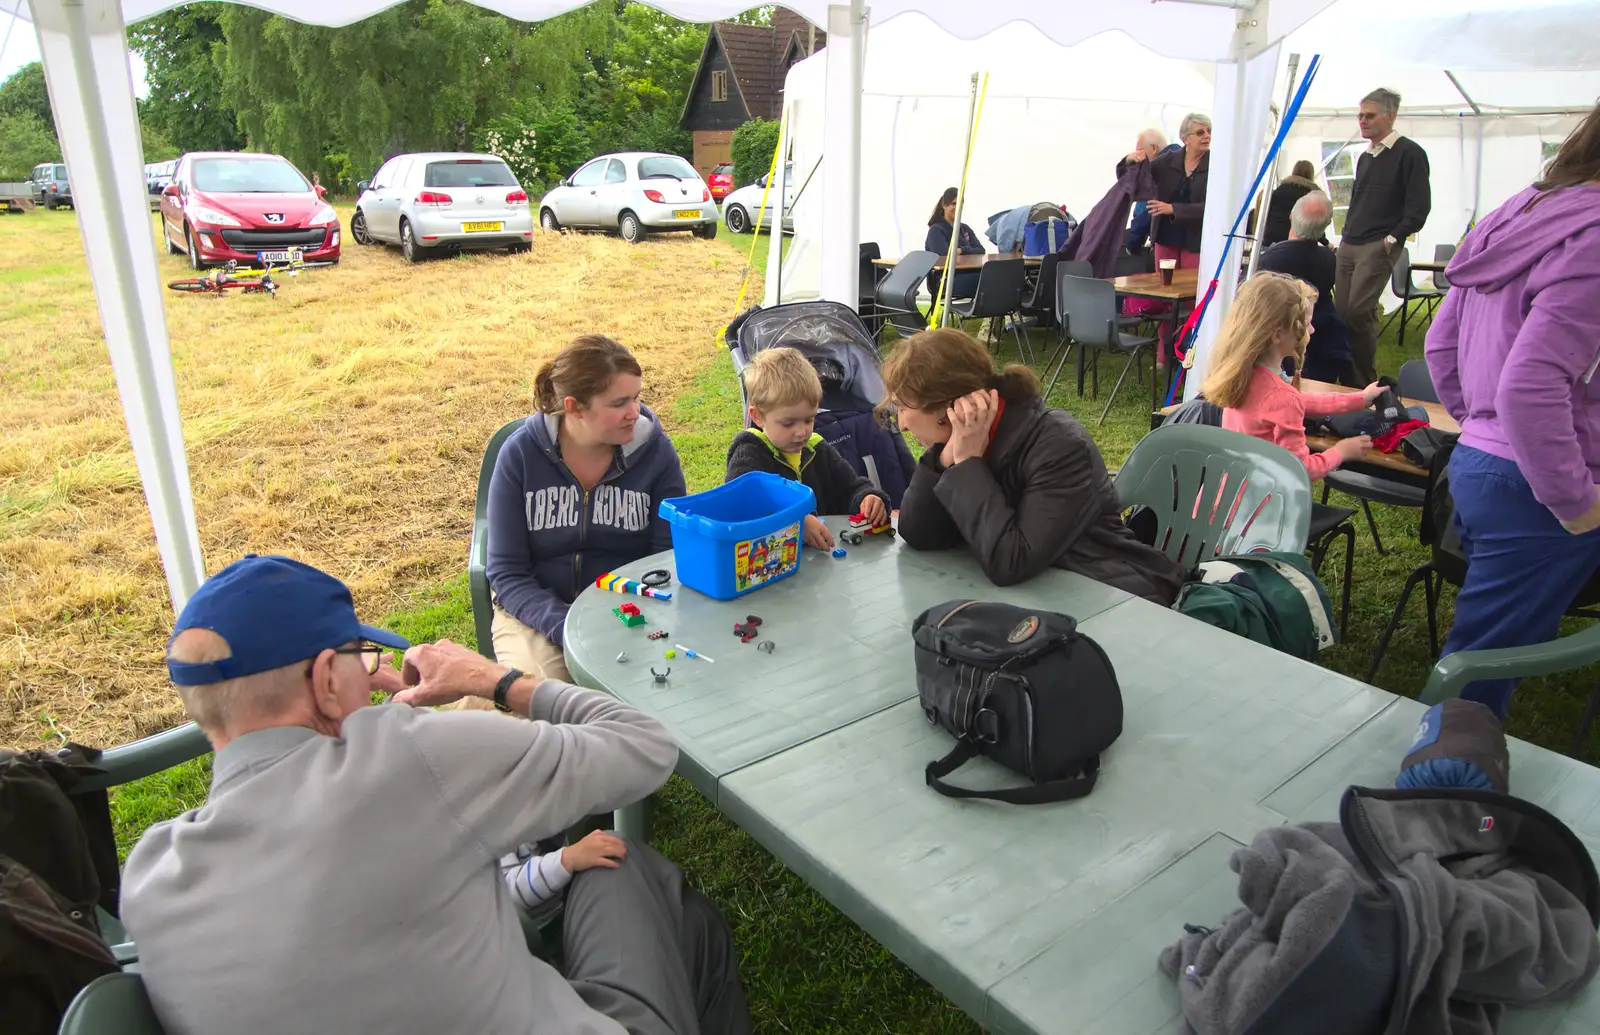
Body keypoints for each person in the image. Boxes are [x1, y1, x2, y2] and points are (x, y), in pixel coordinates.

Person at [121, 554, 751, 1035]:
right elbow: (644, 747)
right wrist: (496, 680)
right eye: (360, 658)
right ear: (322, 680)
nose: (369, 676)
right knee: (630, 868)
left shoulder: (149, 879)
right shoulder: (411, 755)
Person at [1423, 100, 1600, 721]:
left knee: (1478, 656)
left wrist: (1480, 423)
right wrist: (1577, 502)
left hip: (1482, 464)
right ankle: (1434, 796)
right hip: (1541, 484)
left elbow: (1440, 341)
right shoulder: (1592, 235)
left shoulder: (1521, 210)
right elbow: (1530, 386)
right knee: (1475, 675)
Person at [884, 328, 1186, 604]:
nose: (903, 425)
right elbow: (917, 532)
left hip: (1113, 597)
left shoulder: (1058, 446)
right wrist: (944, 460)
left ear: (948, 406)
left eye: (902, 407)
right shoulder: (962, 440)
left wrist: (967, 464)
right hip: (1036, 602)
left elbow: (1010, 561)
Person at [486, 335, 687, 686]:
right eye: (618, 402)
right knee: (541, 695)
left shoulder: (656, 453)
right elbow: (507, 572)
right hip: (535, 614)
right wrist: (567, 627)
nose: (634, 412)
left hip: (627, 609)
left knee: (655, 687)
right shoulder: (519, 455)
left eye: (637, 397)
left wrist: (626, 616)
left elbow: (663, 557)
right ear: (575, 407)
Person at [1203, 272, 1385, 481]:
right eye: (1305, 324)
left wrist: (1360, 398)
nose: (1312, 329)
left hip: (1224, 498)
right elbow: (1300, 471)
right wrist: (1341, 452)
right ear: (1278, 334)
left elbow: (1297, 401)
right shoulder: (1282, 397)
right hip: (1262, 507)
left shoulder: (1241, 373)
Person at [725, 347, 889, 550]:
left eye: (809, 419)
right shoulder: (749, 453)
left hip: (822, 564)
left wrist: (868, 498)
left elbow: (850, 487)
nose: (801, 432)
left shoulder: (817, 449)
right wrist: (796, 523)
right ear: (758, 416)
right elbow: (742, 505)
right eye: (788, 423)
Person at [1335, 87, 1432, 385]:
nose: (1362, 121)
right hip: (1351, 242)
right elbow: (1358, 203)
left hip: (1377, 244)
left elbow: (1419, 207)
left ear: (1391, 116)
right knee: (1343, 314)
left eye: (1370, 115)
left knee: (1357, 311)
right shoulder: (1366, 157)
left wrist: (1392, 238)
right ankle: (1350, 377)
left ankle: (1363, 381)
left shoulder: (1410, 153)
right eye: (1360, 115)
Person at [1256, 191, 1353, 383]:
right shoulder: (1329, 260)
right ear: (1324, 226)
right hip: (1324, 350)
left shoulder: (1268, 261)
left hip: (1279, 349)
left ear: (1291, 217)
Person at [1142, 113, 1211, 271]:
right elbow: (1138, 176)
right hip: (1166, 237)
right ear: (1185, 138)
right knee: (1165, 287)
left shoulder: (1216, 165)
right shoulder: (1167, 161)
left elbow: (1213, 208)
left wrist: (1173, 209)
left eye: (1209, 131)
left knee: (1190, 290)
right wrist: (1131, 161)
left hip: (1196, 241)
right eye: (1200, 132)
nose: (1207, 136)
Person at [924, 187, 986, 303]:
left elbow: (981, 250)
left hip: (968, 273)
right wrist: (967, 250)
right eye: (953, 204)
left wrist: (961, 250)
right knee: (989, 279)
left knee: (995, 275)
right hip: (946, 280)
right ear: (944, 205)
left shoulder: (964, 228)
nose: (957, 207)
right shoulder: (936, 230)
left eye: (960, 204)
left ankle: (993, 314)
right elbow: (944, 255)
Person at [1122, 129, 1177, 254]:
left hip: (1165, 244)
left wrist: (1132, 245)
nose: (1137, 156)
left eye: (1139, 150)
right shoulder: (1185, 163)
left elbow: (1144, 213)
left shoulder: (1154, 173)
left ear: (1153, 148)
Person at [1260, 160, 1320, 248]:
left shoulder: (1279, 190)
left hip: (1271, 239)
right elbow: (1314, 224)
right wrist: (1326, 242)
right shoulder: (1310, 195)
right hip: (1296, 243)